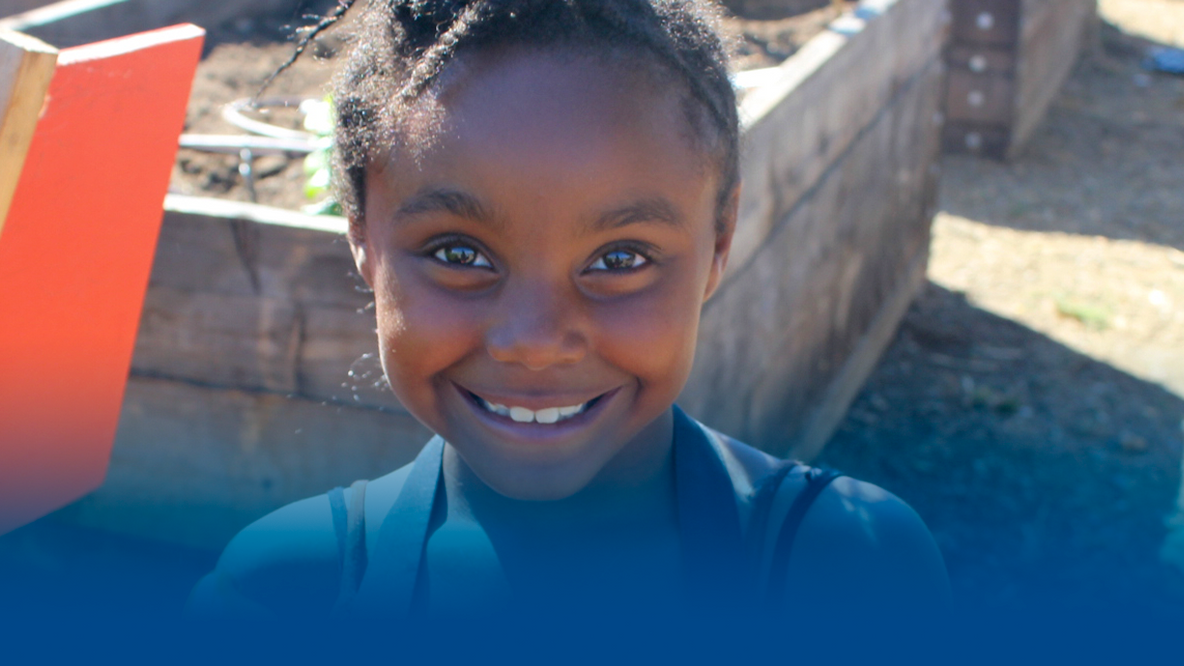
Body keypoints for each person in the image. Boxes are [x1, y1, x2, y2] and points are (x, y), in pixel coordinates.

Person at [188, 0, 949, 621]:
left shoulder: (851, 573)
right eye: (460, 254)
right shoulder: (281, 599)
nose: (535, 341)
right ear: (362, 236)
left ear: (718, 241)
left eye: (619, 260)